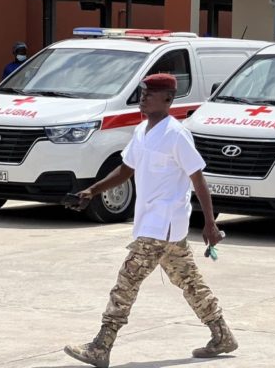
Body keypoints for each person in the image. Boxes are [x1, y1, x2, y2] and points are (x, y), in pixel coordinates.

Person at [63, 73, 237, 368]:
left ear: (168, 99)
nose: (143, 97)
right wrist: (91, 191)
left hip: (163, 224)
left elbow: (198, 179)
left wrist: (210, 223)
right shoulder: (142, 131)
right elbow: (125, 169)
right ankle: (222, 335)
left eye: (150, 94)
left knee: (126, 282)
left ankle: (101, 346)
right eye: (142, 93)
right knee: (190, 282)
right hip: (155, 225)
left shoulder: (176, 134)